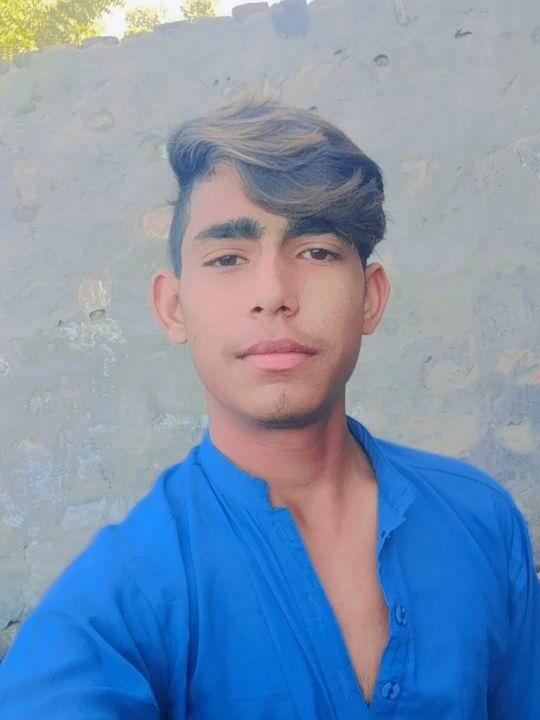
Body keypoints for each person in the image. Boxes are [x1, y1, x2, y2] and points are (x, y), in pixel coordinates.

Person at [0, 93, 538, 719]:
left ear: (370, 296)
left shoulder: (481, 520)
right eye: (228, 257)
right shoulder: (114, 608)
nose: (274, 293)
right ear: (173, 307)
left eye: (317, 251)